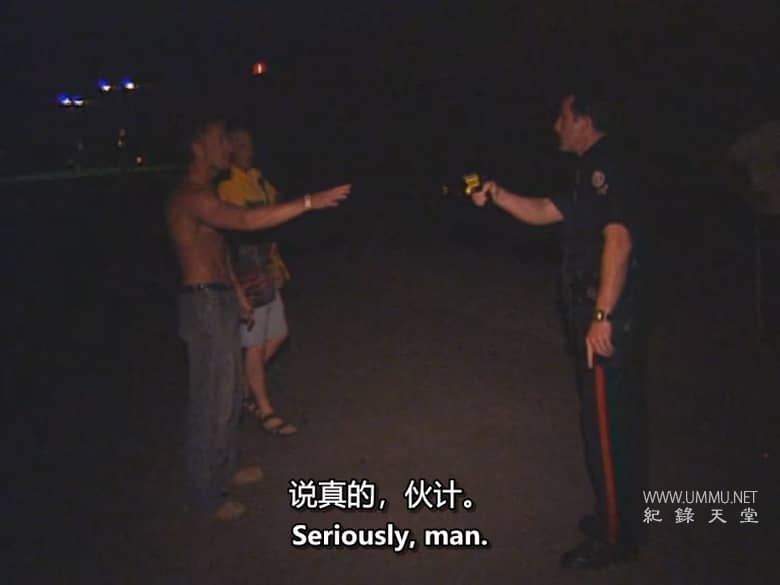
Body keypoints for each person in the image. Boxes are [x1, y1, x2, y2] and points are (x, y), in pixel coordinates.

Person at [470, 91, 649, 569]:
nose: (556, 125)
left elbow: (619, 240)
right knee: (614, 423)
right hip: (601, 310)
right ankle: (622, 516)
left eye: (563, 117)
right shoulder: (591, 170)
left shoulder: (606, 166)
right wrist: (498, 194)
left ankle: (615, 537)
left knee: (606, 430)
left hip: (606, 314)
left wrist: (602, 316)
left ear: (584, 121)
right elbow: (544, 211)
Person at [166, 118, 350, 520]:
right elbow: (246, 222)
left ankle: (224, 470)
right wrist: (308, 202)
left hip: (218, 297)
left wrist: (235, 290)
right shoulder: (190, 196)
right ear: (198, 147)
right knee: (212, 402)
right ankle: (205, 496)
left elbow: (217, 250)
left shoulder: (207, 192)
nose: (227, 147)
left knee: (230, 394)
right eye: (219, 140)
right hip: (203, 304)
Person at [218, 127, 296, 435]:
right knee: (254, 345)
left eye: (248, 143)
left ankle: (240, 388)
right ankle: (264, 409)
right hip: (246, 272)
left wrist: (277, 264)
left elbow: (273, 221)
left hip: (265, 268)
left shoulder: (258, 179)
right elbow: (235, 233)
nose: (246, 149)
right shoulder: (227, 186)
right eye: (239, 144)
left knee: (277, 335)